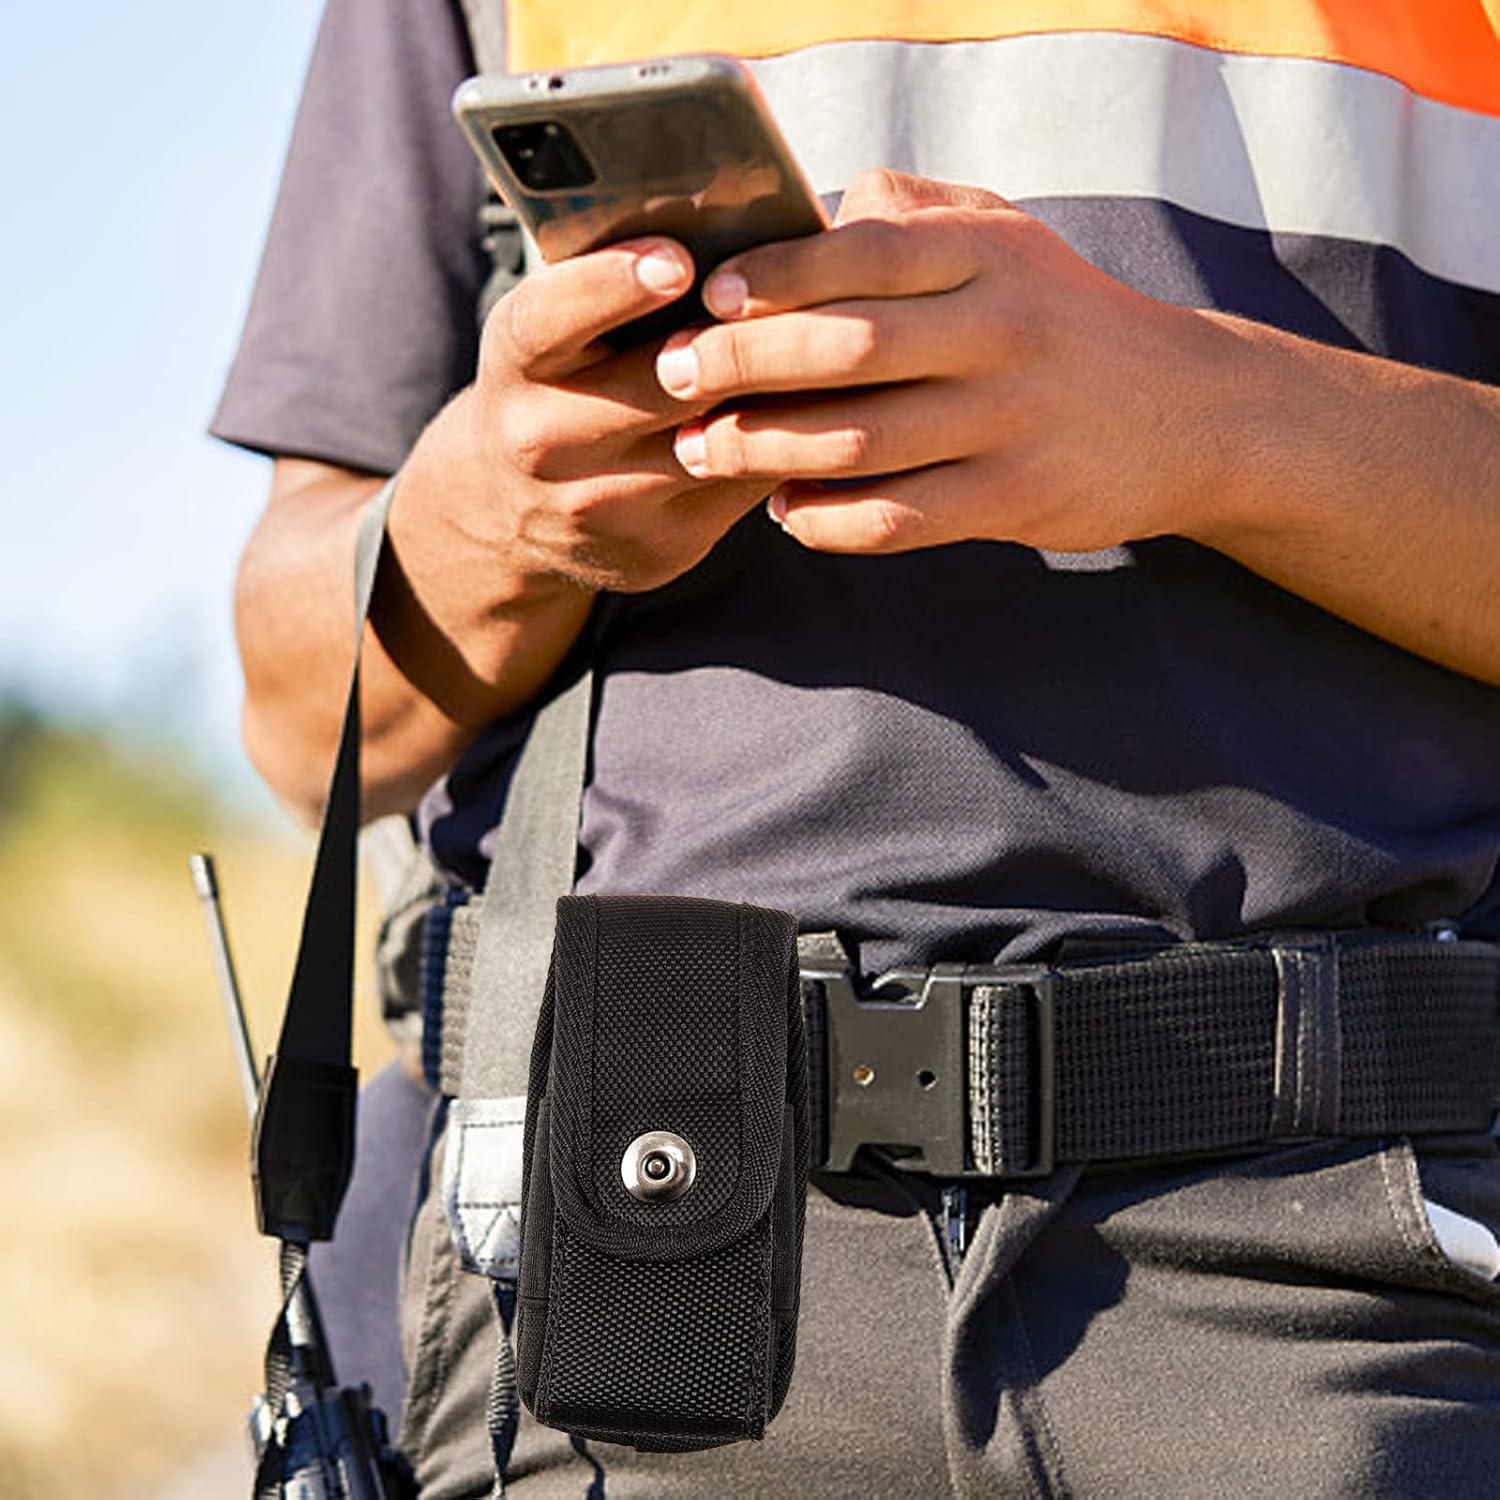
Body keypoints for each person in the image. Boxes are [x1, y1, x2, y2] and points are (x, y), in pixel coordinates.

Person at [215, 0, 1500, 1493]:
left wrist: (1209, 412)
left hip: (1345, 1257)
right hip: (631, 1253)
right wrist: (501, 516)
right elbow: (300, 725)